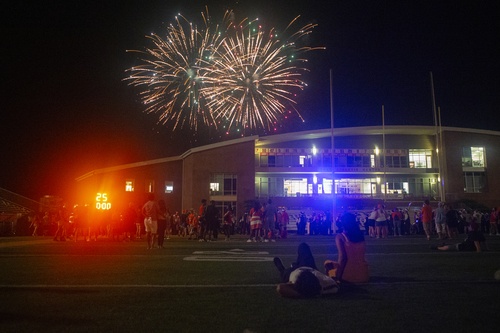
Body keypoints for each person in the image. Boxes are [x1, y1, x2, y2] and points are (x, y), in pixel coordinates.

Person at [273, 243, 339, 298]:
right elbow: (335, 286)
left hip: (294, 271)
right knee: (303, 246)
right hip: (310, 267)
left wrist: (301, 295)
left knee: (284, 273)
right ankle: (296, 264)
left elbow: (280, 288)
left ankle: (282, 268)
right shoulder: (326, 284)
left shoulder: (294, 280)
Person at [324, 212, 369, 284]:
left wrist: (338, 277)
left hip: (348, 276)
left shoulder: (340, 237)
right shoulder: (361, 236)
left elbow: (343, 258)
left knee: (327, 263)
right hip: (363, 274)